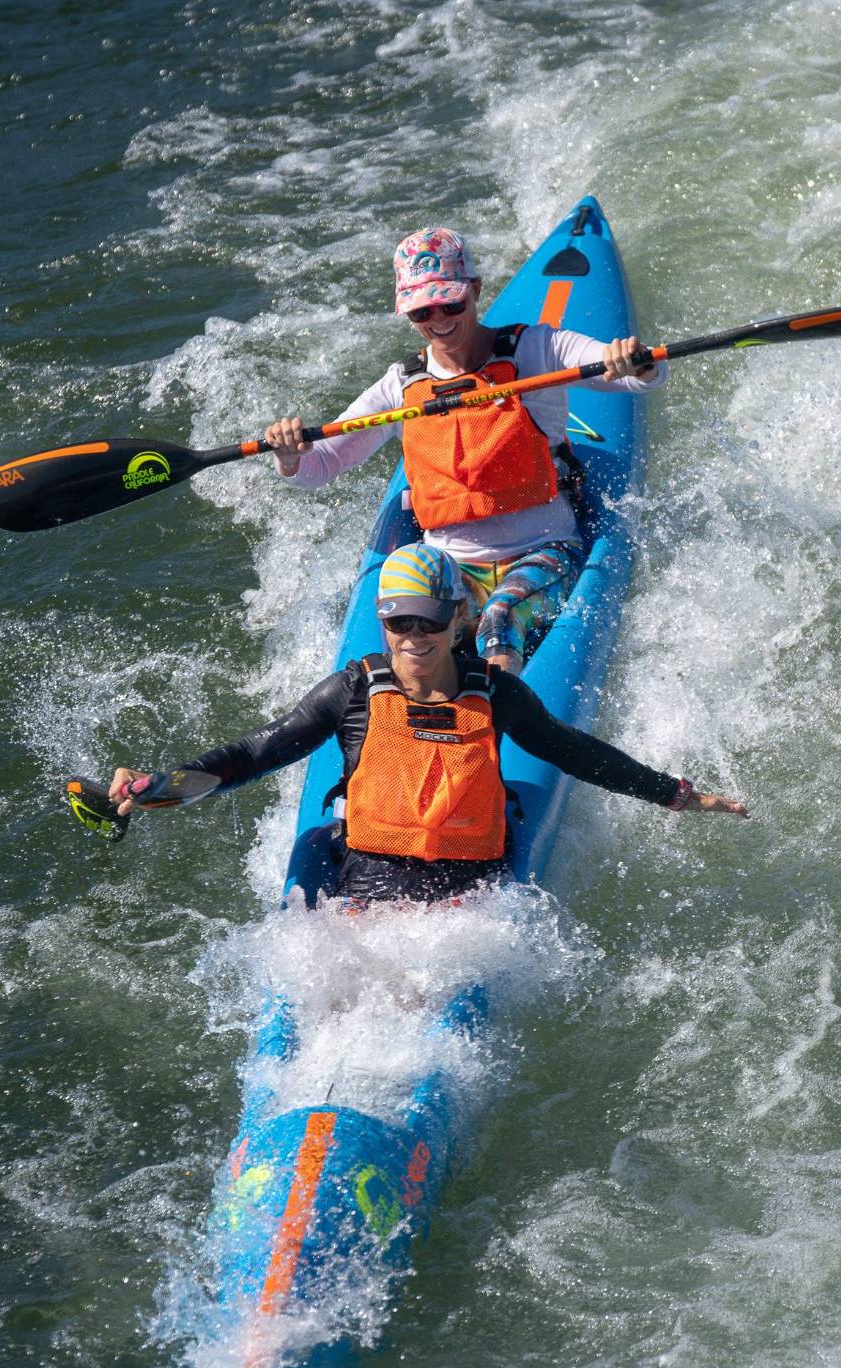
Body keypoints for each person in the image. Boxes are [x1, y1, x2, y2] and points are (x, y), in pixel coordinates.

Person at [110, 544, 748, 907]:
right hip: (366, 875)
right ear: (382, 621)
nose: (413, 636)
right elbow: (256, 753)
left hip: (465, 889)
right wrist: (160, 786)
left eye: (430, 620)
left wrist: (677, 794)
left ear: (458, 619)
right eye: (398, 621)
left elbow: (575, 752)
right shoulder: (351, 691)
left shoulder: (496, 694)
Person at [263, 227, 668, 676]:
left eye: (451, 304)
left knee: (500, 618)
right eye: (422, 311)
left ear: (474, 290)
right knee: (412, 632)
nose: (438, 319)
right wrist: (290, 456)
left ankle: (499, 708)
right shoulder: (400, 386)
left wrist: (634, 362)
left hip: (542, 551)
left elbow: (639, 377)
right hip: (450, 567)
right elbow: (321, 466)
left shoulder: (538, 349)